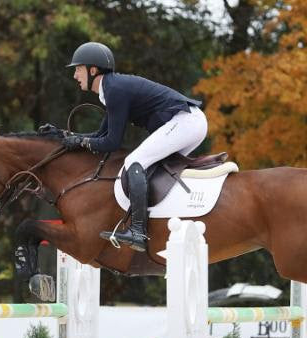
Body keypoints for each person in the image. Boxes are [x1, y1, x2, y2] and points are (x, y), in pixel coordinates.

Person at [63, 42, 207, 252]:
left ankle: (138, 231)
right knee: (151, 166)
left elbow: (111, 143)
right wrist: (69, 138)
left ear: (92, 70)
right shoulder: (110, 88)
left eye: (78, 69)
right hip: (190, 123)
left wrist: (80, 142)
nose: (75, 75)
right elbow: (99, 135)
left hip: (185, 122)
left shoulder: (114, 89)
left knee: (134, 162)